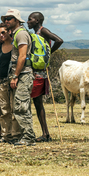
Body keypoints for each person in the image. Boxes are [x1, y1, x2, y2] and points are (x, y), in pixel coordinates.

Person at [27, 12, 64, 142]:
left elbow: (59, 40)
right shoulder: (35, 33)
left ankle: (45, 134)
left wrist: (49, 53)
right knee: (37, 103)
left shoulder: (43, 31)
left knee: (37, 103)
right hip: (36, 71)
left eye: (30, 19)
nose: (28, 22)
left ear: (37, 20)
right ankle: (45, 133)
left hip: (40, 72)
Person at [2, 9, 35, 146]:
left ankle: (28, 137)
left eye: (10, 18)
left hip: (23, 74)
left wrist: (15, 75)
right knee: (21, 105)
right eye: (5, 18)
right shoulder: (16, 34)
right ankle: (26, 135)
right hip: (20, 74)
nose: (6, 21)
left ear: (17, 20)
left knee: (20, 106)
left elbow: (22, 56)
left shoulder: (21, 34)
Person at [0, 23, 22, 144]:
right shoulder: (0, 46)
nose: (1, 35)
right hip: (1, 80)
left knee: (15, 107)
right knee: (4, 109)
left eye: (3, 32)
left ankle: (16, 134)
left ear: (9, 31)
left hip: (13, 80)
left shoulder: (15, 44)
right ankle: (6, 134)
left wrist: (15, 77)